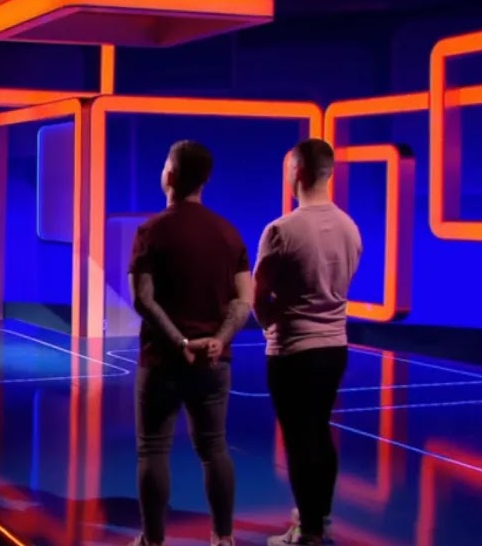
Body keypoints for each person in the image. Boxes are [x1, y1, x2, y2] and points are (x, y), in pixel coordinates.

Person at [129, 141, 250, 546]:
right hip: (214, 363)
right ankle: (223, 539)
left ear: (171, 175)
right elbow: (244, 300)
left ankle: (153, 541)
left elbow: (143, 299)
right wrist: (218, 340)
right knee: (214, 448)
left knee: (153, 450)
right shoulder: (229, 233)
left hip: (161, 362)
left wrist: (179, 341)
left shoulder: (151, 231)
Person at [256, 139, 361, 546]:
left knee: (300, 440)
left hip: (292, 351)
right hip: (335, 348)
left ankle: (309, 532)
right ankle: (318, 518)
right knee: (319, 431)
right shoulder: (350, 227)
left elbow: (258, 296)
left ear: (297, 171)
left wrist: (271, 326)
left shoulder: (281, 231)